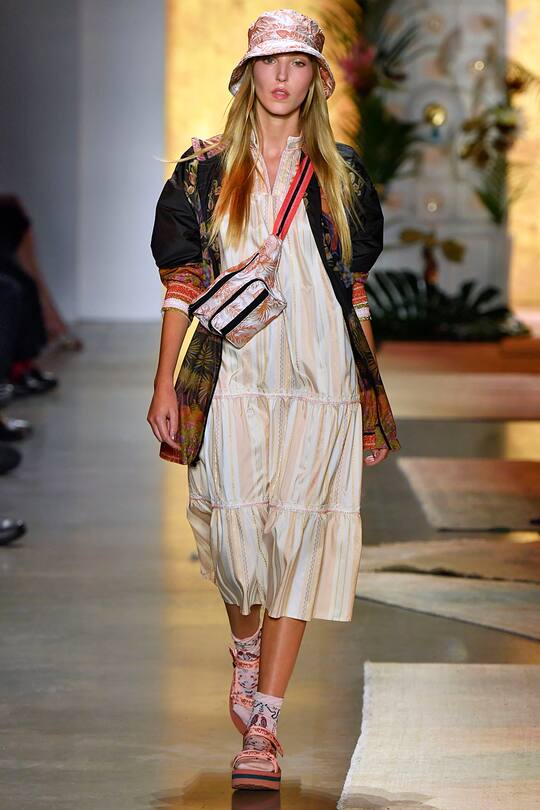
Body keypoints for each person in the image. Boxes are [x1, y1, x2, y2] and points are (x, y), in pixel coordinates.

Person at [148, 8, 401, 791]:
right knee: (233, 534)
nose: (281, 77)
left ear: (317, 80)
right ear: (248, 73)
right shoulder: (203, 170)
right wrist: (163, 381)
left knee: (297, 536)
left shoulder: (342, 174)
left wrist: (368, 395)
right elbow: (181, 281)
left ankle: (265, 720)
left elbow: (355, 291)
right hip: (233, 369)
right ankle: (245, 644)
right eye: (269, 62)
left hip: (319, 374)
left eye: (296, 64)